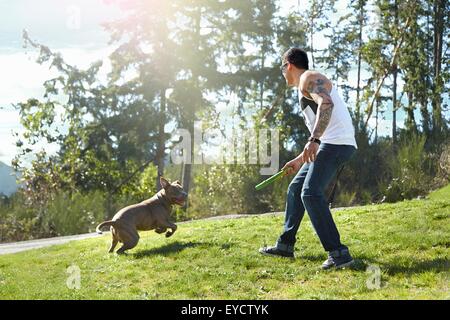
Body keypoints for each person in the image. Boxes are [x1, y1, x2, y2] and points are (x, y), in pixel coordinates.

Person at [259, 48, 358, 269]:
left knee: (310, 193)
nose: (283, 73)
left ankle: (339, 254)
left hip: (337, 144)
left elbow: (327, 104)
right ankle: (285, 246)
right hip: (329, 144)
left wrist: (313, 139)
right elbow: (320, 131)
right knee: (296, 188)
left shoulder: (308, 78)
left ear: (289, 66)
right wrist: (299, 160)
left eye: (282, 68)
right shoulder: (302, 87)